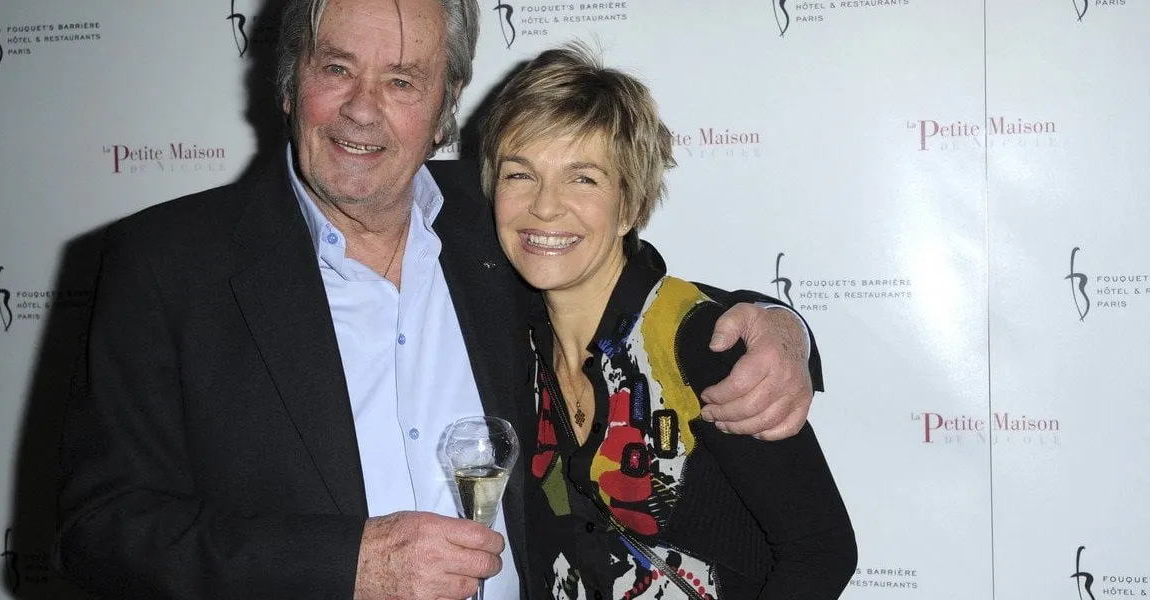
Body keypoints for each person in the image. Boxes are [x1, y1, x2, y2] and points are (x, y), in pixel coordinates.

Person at [52, 1, 822, 599]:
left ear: (448, 100)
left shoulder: (503, 222)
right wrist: (342, 565)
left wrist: (781, 328)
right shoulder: (165, 264)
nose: (362, 109)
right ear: (290, 82)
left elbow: (626, 278)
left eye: (401, 81)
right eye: (337, 69)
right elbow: (98, 532)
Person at [478, 44, 856, 599]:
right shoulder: (512, 336)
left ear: (630, 205)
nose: (545, 206)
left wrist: (784, 322)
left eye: (583, 178)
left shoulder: (698, 341)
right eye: (520, 174)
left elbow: (821, 551)